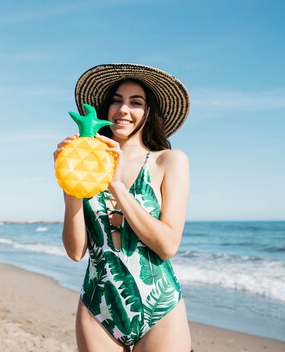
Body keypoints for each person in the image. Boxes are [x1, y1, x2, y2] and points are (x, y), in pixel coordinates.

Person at [54, 63, 191, 352]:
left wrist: (116, 185)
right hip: (97, 306)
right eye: (116, 100)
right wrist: (70, 183)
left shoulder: (168, 161)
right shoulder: (86, 167)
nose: (123, 109)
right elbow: (75, 251)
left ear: (148, 112)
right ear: (106, 109)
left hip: (159, 308)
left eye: (135, 102)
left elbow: (167, 245)